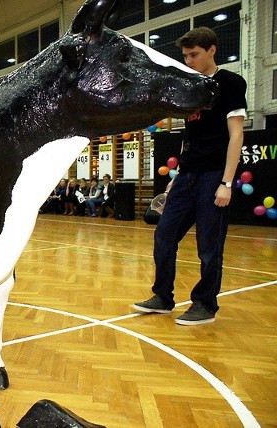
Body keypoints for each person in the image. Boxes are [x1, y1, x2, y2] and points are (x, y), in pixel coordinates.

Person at [132, 27, 247, 325]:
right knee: (164, 235)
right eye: (185, 56)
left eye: (194, 55)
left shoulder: (231, 83)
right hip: (187, 176)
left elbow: (236, 136)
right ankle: (162, 297)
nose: (189, 60)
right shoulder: (191, 86)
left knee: (208, 248)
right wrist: (177, 175)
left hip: (213, 177)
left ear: (211, 50)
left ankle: (205, 305)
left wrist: (226, 183)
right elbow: (190, 137)